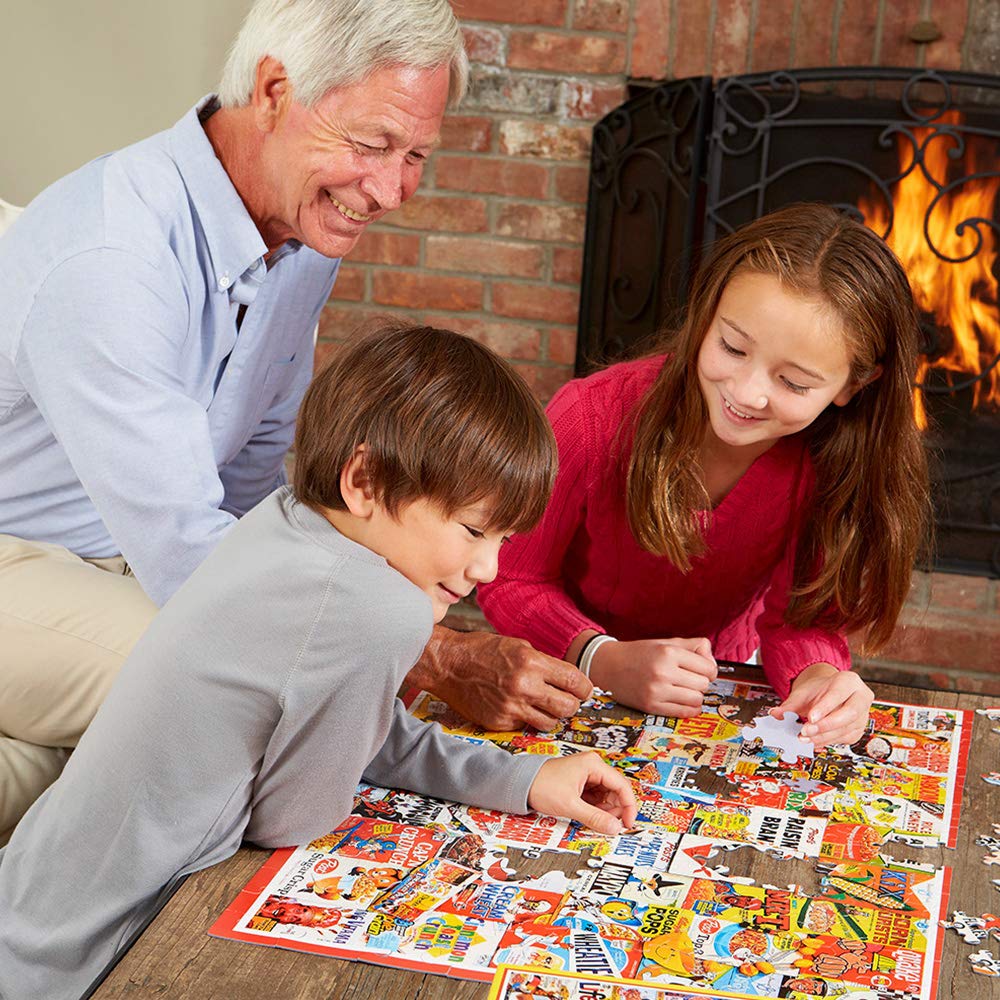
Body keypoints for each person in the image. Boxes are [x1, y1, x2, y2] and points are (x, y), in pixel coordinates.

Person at [0, 0, 585, 842]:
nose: (391, 191)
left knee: (153, 727)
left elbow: (258, 500)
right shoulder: (113, 255)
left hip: (131, 575)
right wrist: (422, 656)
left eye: (416, 154)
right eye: (373, 143)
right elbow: (195, 557)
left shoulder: (300, 238)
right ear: (274, 88)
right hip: (29, 563)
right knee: (237, 701)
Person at [0, 323, 638, 1000]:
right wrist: (402, 623)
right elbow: (292, 819)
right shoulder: (376, 609)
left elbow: (362, 727)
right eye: (473, 530)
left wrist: (524, 778)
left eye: (505, 538)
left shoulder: (283, 519)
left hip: (27, 903)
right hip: (92, 959)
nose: (488, 567)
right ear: (364, 480)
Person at [478, 203, 931, 748]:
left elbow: (800, 621)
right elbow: (511, 577)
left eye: (794, 383)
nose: (746, 393)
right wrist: (600, 656)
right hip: (554, 682)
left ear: (853, 385)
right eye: (732, 347)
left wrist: (818, 677)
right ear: (707, 313)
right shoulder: (590, 418)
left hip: (706, 698)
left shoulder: (830, 464)